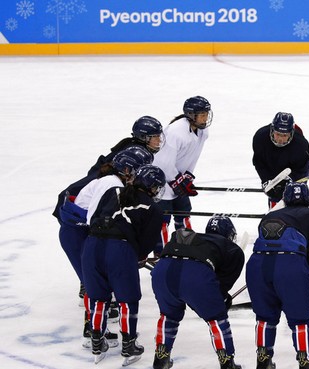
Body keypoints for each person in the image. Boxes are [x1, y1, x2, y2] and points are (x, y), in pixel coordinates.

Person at [59, 146, 153, 348]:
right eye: (140, 169)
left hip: (83, 233)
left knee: (97, 283)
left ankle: (96, 330)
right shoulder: (111, 184)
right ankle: (89, 330)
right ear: (127, 170)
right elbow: (95, 217)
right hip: (78, 235)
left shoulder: (114, 181)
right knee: (92, 284)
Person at [82, 164, 166, 365]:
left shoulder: (113, 192)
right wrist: (135, 255)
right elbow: (146, 243)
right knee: (127, 299)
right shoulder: (153, 208)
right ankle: (129, 346)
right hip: (119, 250)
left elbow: (93, 216)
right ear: (152, 187)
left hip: (91, 245)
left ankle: (96, 342)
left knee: (98, 296)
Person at [245, 182, 309, 369]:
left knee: (264, 316)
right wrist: (308, 272)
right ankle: (305, 362)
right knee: (300, 318)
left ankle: (263, 360)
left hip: (257, 264)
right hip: (290, 265)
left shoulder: (270, 215)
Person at [151, 216, 246, 369]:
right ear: (230, 234)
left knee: (168, 315)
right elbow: (221, 285)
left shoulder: (198, 238)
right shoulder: (231, 248)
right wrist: (221, 298)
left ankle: (161, 358)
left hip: (162, 271)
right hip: (195, 275)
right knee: (217, 318)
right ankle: (227, 362)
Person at [152, 96, 212, 255]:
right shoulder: (175, 132)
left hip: (177, 179)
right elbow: (163, 163)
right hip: (161, 182)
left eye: (206, 114)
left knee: (184, 213)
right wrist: (176, 180)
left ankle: (188, 250)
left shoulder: (203, 131)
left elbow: (194, 155)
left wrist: (188, 176)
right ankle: (161, 254)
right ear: (191, 115)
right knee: (162, 221)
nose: (205, 118)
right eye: (202, 114)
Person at [252, 112, 309, 208]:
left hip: (295, 170)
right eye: (278, 134)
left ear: (291, 133)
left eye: (284, 135)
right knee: (274, 195)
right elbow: (259, 162)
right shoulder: (260, 137)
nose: (280, 139)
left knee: (296, 198)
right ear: (272, 130)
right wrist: (266, 180)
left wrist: (290, 181)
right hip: (272, 166)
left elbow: (301, 169)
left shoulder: (301, 145)